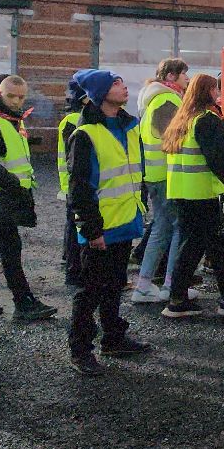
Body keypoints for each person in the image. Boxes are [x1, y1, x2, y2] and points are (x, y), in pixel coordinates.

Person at [65, 69, 152, 375]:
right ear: (101, 94)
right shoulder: (85, 134)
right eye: (116, 84)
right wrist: (91, 229)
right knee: (90, 291)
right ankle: (80, 350)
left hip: (124, 222)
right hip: (100, 229)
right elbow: (80, 188)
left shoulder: (128, 126)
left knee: (114, 285)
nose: (124, 86)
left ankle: (114, 337)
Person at [160, 74, 224, 319]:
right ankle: (221, 298)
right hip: (201, 194)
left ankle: (180, 299)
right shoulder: (207, 120)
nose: (217, 93)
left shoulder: (183, 120)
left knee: (195, 246)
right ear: (208, 91)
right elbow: (218, 160)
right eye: (215, 88)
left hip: (181, 193)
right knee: (207, 246)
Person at [0, 75, 57, 321]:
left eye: (21, 97)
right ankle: (23, 302)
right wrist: (14, 185)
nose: (17, 102)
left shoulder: (6, 121)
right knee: (9, 250)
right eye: (11, 96)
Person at [127, 58, 189, 306]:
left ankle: (144, 285)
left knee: (161, 229)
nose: (187, 78)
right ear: (171, 76)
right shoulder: (167, 99)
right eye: (185, 74)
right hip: (167, 175)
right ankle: (171, 286)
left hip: (155, 174)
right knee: (176, 228)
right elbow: (173, 138)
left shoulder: (151, 98)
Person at [56, 75, 88, 290]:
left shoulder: (70, 118)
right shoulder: (74, 121)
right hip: (73, 183)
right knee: (77, 228)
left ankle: (70, 263)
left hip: (68, 183)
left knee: (72, 226)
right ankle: (74, 272)